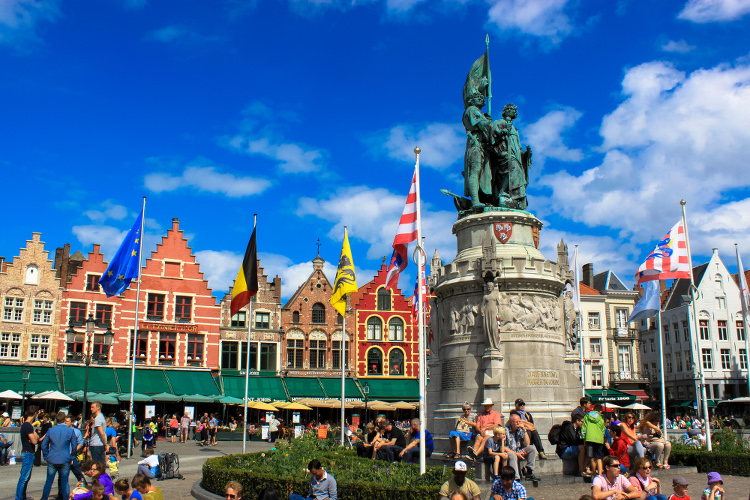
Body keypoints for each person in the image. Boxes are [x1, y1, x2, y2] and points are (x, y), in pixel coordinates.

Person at [39, 411, 77, 500]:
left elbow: (44, 445)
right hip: (65, 458)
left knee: (48, 482)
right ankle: (65, 498)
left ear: (56, 420)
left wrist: (46, 455)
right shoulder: (70, 431)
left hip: (52, 458)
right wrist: (72, 456)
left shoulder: (51, 430)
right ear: (65, 419)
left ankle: (44, 498)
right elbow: (74, 446)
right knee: (64, 482)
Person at [505, 413, 540, 482]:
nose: (518, 424)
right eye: (516, 422)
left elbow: (527, 443)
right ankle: (516, 477)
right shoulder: (505, 431)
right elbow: (503, 447)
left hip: (518, 450)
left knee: (531, 448)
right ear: (511, 422)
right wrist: (516, 453)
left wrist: (524, 430)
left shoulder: (520, 430)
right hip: (509, 451)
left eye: (519, 421)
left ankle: (529, 472)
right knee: (513, 455)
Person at [16, 407, 40, 500]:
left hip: (27, 453)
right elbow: (35, 440)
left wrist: (34, 438)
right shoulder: (28, 426)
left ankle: (22, 496)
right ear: (35, 413)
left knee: (26, 478)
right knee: (24, 478)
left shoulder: (27, 425)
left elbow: (35, 438)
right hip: (28, 453)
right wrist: (35, 438)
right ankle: (19, 497)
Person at [582, 404, 606, 477]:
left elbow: (584, 428)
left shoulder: (586, 416)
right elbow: (603, 430)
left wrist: (584, 438)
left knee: (592, 457)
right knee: (599, 457)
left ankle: (595, 475)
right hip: (599, 439)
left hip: (590, 438)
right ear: (600, 411)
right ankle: (600, 475)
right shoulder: (601, 419)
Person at [65, 415, 86, 485]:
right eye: (65, 421)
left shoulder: (76, 431)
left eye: (67, 421)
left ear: (72, 422)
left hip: (72, 455)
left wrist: (73, 450)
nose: (65, 423)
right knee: (63, 475)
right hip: (64, 455)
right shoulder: (62, 430)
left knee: (78, 473)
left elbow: (80, 443)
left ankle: (85, 487)